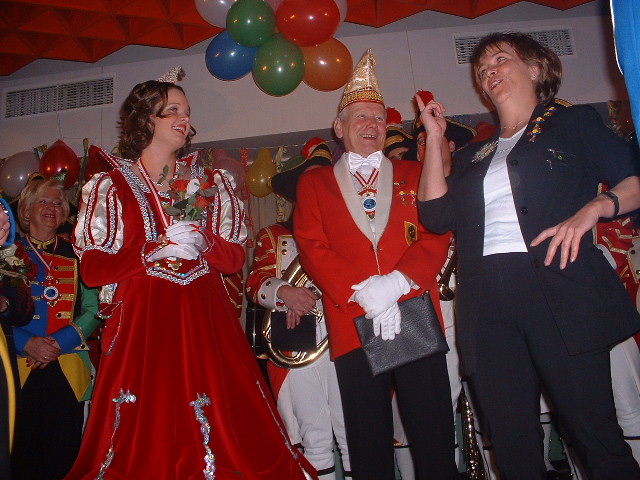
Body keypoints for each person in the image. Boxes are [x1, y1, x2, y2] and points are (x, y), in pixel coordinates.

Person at [66, 69, 315, 479]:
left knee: (228, 425)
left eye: (187, 111)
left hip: (205, 319)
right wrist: (152, 250)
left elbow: (232, 261)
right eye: (173, 111)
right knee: (149, 430)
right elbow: (93, 271)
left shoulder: (209, 182)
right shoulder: (110, 186)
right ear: (145, 120)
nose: (185, 119)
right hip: (145, 324)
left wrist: (204, 241)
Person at [417, 31, 640, 479]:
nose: (489, 72)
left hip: (560, 291)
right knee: (512, 445)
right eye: (482, 70)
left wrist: (595, 208)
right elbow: (436, 215)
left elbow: (632, 180)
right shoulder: (476, 153)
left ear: (536, 69)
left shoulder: (573, 123)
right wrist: (435, 140)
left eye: (500, 60)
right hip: (486, 305)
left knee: (593, 433)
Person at [294, 49, 457, 480]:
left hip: (414, 311)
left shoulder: (416, 171)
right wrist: (365, 293)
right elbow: (312, 247)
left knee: (435, 436)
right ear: (339, 127)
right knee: (368, 445)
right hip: (354, 318)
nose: (372, 124)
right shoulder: (314, 183)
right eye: (361, 116)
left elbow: (436, 230)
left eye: (379, 118)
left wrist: (398, 282)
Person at [247, 138, 351, 480]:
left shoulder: (349, 235)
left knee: (354, 434)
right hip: (295, 342)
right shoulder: (273, 235)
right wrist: (286, 293)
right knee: (313, 437)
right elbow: (255, 282)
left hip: (344, 339)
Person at [9, 176, 100, 480]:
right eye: (43, 201)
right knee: (19, 458)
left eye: (58, 203)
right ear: (26, 210)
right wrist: (26, 342)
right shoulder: (7, 253)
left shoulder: (80, 255)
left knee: (64, 458)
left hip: (67, 366)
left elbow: (95, 308)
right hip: (16, 368)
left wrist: (60, 342)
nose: (52, 208)